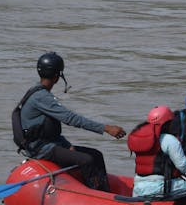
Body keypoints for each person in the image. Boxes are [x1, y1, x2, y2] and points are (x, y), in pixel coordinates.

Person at [13, 51, 125, 192]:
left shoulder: (37, 91)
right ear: (57, 77)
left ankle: (104, 191)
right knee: (87, 160)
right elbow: (71, 119)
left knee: (96, 155)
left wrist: (66, 145)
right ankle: (97, 195)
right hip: (41, 149)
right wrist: (106, 128)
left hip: (48, 143)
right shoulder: (42, 97)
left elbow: (49, 129)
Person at [129, 105, 186, 199]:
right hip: (160, 187)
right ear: (168, 123)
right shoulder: (169, 140)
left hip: (138, 187)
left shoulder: (141, 139)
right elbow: (183, 167)